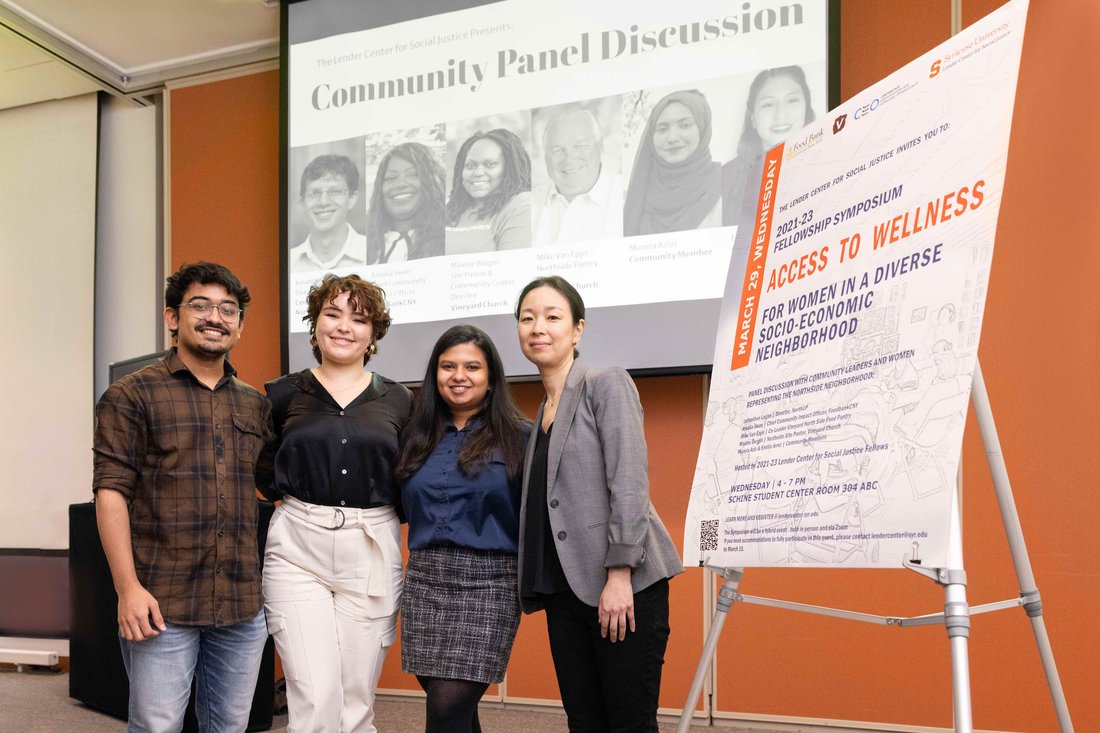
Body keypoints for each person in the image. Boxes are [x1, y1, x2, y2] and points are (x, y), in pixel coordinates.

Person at [93, 261, 271, 732]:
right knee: (157, 727)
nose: (216, 317)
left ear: (238, 327)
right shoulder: (131, 395)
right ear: (173, 318)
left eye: (228, 310)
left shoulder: (254, 402)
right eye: (201, 306)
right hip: (161, 602)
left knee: (229, 727)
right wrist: (127, 590)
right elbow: (110, 492)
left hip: (240, 604)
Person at [514, 275, 683, 731]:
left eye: (552, 316)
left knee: (628, 722)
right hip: (566, 594)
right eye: (528, 318)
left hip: (622, 586)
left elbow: (629, 482)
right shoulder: (541, 413)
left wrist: (620, 574)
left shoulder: (606, 384)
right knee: (584, 722)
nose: (538, 327)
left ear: (578, 329)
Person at [256, 274, 412, 732]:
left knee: (355, 701)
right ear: (315, 323)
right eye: (332, 313)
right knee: (313, 693)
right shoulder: (283, 394)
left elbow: (410, 474)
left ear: (373, 333)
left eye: (359, 318)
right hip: (297, 549)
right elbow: (264, 465)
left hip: (371, 547)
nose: (344, 326)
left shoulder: (401, 400)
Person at [394, 325, 530, 733]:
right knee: (454, 711)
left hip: (490, 583)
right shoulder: (414, 436)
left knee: (446, 707)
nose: (459, 375)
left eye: (473, 366)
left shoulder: (519, 436)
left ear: (491, 379)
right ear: (434, 375)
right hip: (425, 579)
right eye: (448, 365)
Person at [722, 66, 816, 225]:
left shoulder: (830, 166)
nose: (780, 114)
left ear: (806, 110)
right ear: (752, 118)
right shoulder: (726, 177)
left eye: (791, 101)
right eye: (768, 105)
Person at [624, 89, 721, 236]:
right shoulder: (637, 199)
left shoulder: (727, 188)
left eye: (685, 125)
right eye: (662, 129)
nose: (672, 138)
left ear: (702, 130)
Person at [532, 107, 624, 247]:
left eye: (581, 146)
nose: (569, 159)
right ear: (546, 158)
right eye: (557, 150)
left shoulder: (626, 198)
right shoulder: (528, 205)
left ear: (600, 146)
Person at [445, 128, 532, 254]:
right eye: (470, 166)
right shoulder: (451, 209)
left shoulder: (521, 206)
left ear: (509, 169)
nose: (478, 173)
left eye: (490, 164)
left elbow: (513, 268)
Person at [366, 142, 446, 264]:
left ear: (432, 183)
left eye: (413, 174)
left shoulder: (448, 242)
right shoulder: (366, 246)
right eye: (391, 178)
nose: (400, 184)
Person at [290, 154, 368, 271]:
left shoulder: (373, 253)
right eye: (314, 193)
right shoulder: (289, 263)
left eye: (335, 191)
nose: (323, 202)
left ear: (352, 198)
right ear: (302, 202)